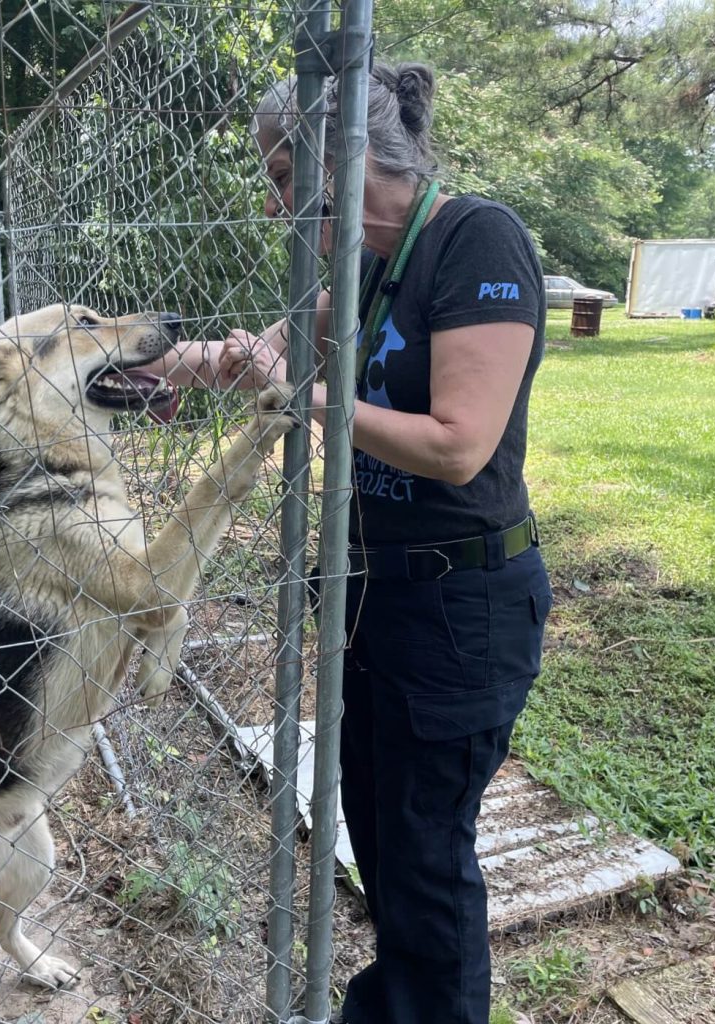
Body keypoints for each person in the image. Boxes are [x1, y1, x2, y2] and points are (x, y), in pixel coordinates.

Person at [151, 61, 552, 1024]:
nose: (273, 196)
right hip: (379, 598)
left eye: (284, 172)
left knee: (422, 856)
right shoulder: (370, 267)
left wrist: (315, 399)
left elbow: (458, 446)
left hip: (461, 607)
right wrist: (174, 361)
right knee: (377, 834)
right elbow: (286, 342)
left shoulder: (474, 239)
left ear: (347, 158)